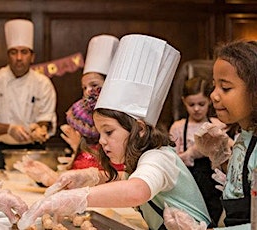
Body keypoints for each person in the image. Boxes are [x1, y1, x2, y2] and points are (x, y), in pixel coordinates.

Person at [18, 34, 212, 230]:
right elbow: (128, 178)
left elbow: (136, 190)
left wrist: (76, 197)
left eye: (109, 132)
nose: (102, 141)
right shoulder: (141, 159)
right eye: (100, 133)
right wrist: (92, 176)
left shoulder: (159, 157)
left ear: (141, 129)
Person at [14, 34, 120, 187]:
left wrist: (79, 147)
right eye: (84, 87)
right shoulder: (82, 117)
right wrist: (51, 176)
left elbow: (114, 174)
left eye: (94, 85)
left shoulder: (121, 124)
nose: (88, 92)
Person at [0, 19, 57, 169]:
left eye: (24, 52)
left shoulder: (43, 83)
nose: (19, 58)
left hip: (35, 152)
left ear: (32, 56)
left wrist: (39, 129)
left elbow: (45, 119)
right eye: (14, 52)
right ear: (8, 55)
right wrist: (9, 129)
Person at [193, 40, 257, 229]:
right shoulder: (243, 135)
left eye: (226, 88)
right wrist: (221, 158)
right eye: (214, 86)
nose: (214, 95)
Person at [169, 77, 225, 226]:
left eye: (201, 104)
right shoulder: (178, 127)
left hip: (214, 187)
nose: (196, 109)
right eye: (191, 104)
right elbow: (173, 161)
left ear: (209, 100)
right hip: (190, 186)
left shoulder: (219, 125)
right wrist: (192, 153)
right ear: (183, 101)